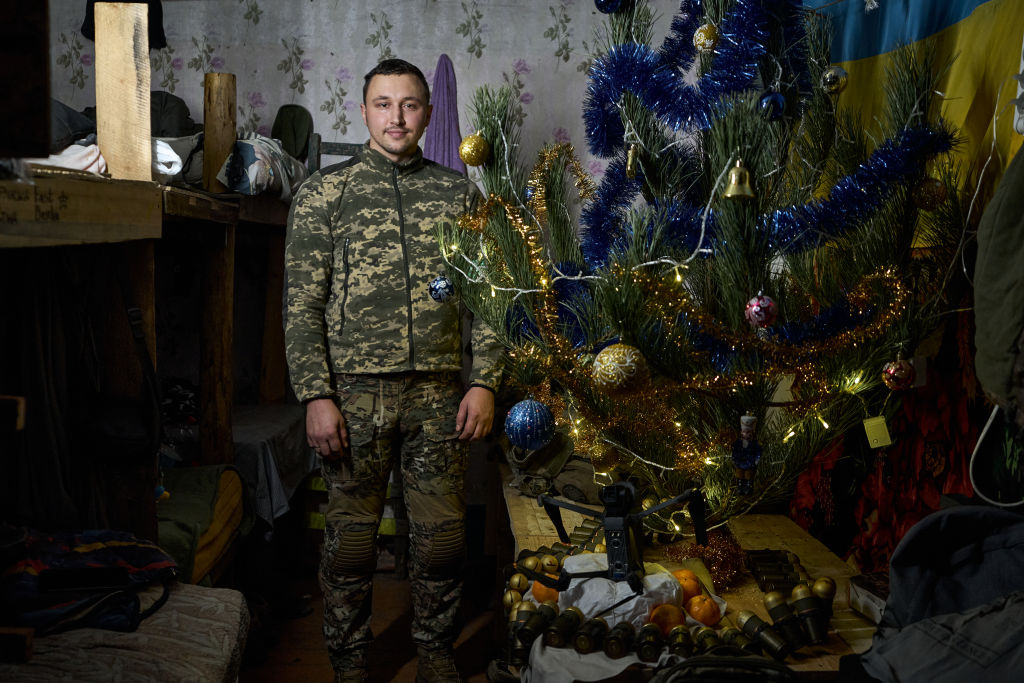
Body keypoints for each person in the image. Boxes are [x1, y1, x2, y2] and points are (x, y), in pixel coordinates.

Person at [284, 58, 504, 683]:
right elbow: (300, 305)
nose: (396, 117)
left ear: (427, 114)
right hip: (352, 397)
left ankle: (435, 651)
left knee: (442, 540)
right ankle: (350, 662)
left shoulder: (460, 195)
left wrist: (484, 380)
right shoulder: (323, 194)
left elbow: (490, 298)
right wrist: (315, 395)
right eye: (384, 104)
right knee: (351, 544)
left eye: (409, 105)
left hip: (437, 394)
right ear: (363, 112)